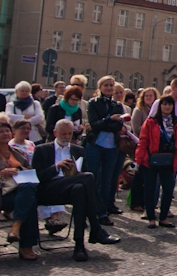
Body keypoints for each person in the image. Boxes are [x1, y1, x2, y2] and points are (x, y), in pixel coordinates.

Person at [32, 119, 121, 261]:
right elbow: (37, 177)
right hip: (48, 189)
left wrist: (76, 173)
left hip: (71, 188)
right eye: (63, 134)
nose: (67, 137)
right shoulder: (42, 149)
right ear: (55, 133)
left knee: (81, 189)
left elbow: (85, 177)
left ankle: (79, 245)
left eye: (69, 134)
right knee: (88, 177)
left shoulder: (78, 150)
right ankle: (96, 226)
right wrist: (57, 167)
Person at [135, 95, 177, 228]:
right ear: (160, 106)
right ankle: (151, 217)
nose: (167, 107)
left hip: (168, 160)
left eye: (170, 104)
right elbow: (143, 141)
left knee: (168, 188)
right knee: (150, 188)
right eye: (164, 104)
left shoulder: (176, 122)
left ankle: (163, 217)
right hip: (151, 160)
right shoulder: (151, 121)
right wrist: (138, 160)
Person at [10, 119, 67, 233]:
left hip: (35, 172)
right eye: (22, 128)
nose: (26, 131)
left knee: (50, 182)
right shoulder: (10, 145)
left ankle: (54, 218)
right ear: (14, 130)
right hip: (20, 175)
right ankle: (50, 220)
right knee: (37, 187)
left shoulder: (31, 144)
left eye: (28, 128)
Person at [85, 75, 125, 225]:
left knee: (107, 180)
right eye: (106, 85)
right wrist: (109, 120)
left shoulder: (117, 105)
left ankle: (103, 211)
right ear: (100, 87)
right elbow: (93, 124)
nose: (109, 88)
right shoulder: (93, 103)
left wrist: (108, 123)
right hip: (95, 144)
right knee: (93, 178)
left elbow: (118, 126)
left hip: (111, 146)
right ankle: (90, 209)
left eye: (111, 85)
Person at [0, 121, 40, 260]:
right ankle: (25, 244)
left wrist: (18, 171)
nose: (4, 134)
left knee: (28, 191)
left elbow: (29, 170)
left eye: (6, 131)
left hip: (18, 192)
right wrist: (2, 172)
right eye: (1, 132)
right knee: (29, 200)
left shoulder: (17, 152)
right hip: (2, 193)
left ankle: (17, 228)